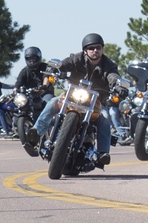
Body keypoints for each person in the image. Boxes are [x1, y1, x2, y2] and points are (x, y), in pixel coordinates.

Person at [30, 33, 120, 167]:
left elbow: (113, 76)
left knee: (105, 117)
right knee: (53, 102)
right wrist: (54, 68)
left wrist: (118, 86)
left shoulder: (108, 65)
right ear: (85, 50)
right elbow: (63, 64)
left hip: (95, 101)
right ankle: (37, 131)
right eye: (91, 48)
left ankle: (103, 153)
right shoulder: (76, 59)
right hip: (72, 95)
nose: (95, 50)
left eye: (98, 48)